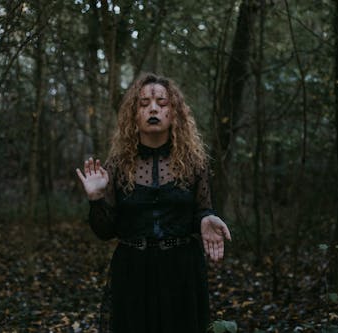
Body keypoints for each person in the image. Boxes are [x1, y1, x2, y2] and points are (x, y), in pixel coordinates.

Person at [76, 73, 231, 333]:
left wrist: (206, 218)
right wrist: (96, 199)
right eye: (144, 103)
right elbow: (105, 231)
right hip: (133, 272)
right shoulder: (117, 164)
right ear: (134, 115)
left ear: (174, 113)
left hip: (181, 271)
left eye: (162, 102)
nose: (153, 108)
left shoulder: (194, 162)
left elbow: (200, 210)